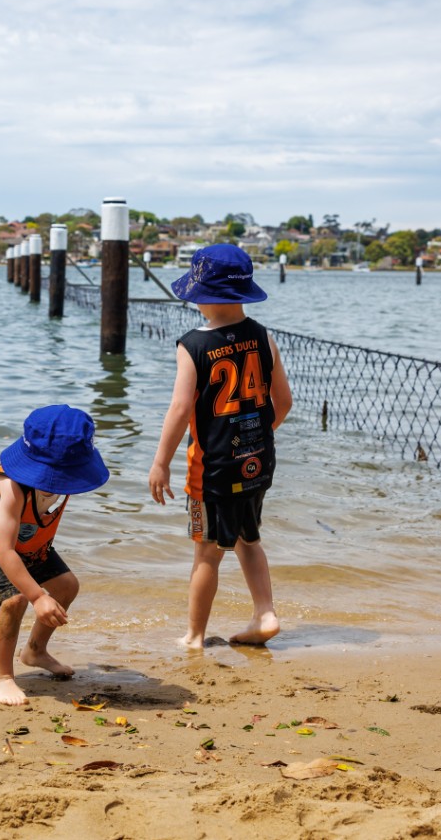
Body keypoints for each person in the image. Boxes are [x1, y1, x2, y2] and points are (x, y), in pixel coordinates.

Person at [148, 244, 293, 648]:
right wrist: (256, 438)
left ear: (204, 295)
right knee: (250, 538)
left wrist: (161, 463)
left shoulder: (192, 345)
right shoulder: (263, 337)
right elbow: (283, 403)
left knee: (207, 554)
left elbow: (179, 410)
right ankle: (265, 614)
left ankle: (194, 635)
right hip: (257, 463)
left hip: (211, 470)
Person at [0, 405, 109, 705]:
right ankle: (2, 677)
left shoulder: (63, 483)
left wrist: (46, 592)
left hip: (30, 545)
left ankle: (35, 651)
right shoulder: (11, 487)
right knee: (16, 599)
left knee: (67, 586)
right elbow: (4, 551)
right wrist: (38, 596)